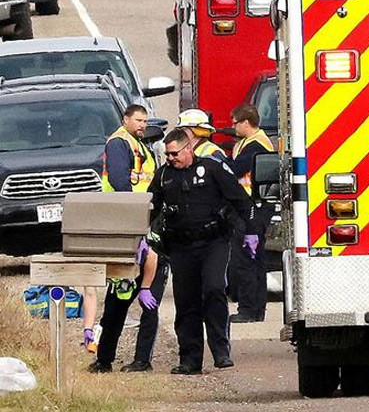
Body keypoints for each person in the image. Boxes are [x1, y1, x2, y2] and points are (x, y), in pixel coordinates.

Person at [149, 128, 262, 374]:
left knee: (213, 290)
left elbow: (242, 202)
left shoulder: (211, 169)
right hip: (181, 246)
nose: (170, 158)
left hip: (213, 242)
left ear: (188, 149)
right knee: (186, 302)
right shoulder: (164, 175)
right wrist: (142, 238)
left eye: (174, 154)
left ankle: (221, 351)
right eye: (167, 155)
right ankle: (189, 359)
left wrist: (251, 231)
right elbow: (150, 208)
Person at [88, 104, 169, 373]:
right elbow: (122, 183)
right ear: (125, 119)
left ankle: (140, 360)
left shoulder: (139, 144)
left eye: (146, 120)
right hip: (126, 226)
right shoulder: (120, 143)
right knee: (118, 298)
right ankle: (104, 358)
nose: (143, 125)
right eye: (138, 120)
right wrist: (135, 224)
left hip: (144, 224)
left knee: (146, 299)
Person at [227, 104, 274, 323]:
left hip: (253, 208)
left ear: (246, 122)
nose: (233, 126)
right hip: (254, 206)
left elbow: (236, 170)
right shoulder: (250, 142)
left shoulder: (255, 145)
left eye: (235, 122)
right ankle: (255, 309)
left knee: (246, 259)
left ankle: (248, 309)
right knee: (253, 259)